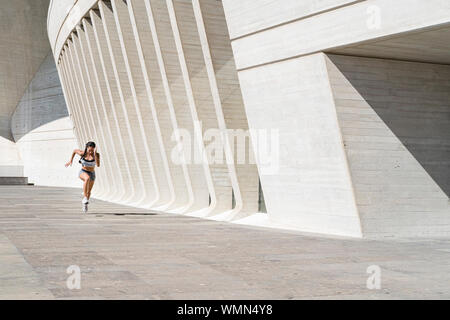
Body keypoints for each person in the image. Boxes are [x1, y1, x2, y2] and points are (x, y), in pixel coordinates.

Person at [65, 141, 100, 212]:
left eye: (92, 150)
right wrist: (70, 160)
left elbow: (98, 165)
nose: (90, 152)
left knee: (89, 191)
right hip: (83, 172)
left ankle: (85, 204)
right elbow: (74, 151)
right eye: (89, 150)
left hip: (92, 173)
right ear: (86, 148)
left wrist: (95, 154)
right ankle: (84, 198)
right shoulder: (82, 153)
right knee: (87, 178)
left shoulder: (96, 155)